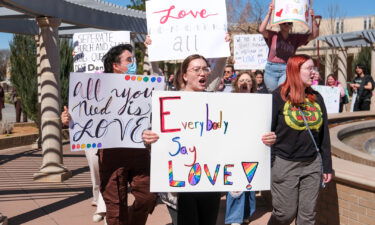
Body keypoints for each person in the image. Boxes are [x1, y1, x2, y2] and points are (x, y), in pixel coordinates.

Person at [142, 54, 276, 225]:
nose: (202, 73)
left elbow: (239, 133)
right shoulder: (169, 103)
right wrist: (148, 138)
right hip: (180, 187)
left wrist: (264, 138)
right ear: (184, 75)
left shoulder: (218, 103)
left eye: (205, 69)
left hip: (210, 184)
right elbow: (154, 140)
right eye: (196, 69)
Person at [62, 44, 157, 225]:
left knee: (148, 197)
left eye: (134, 60)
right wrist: (68, 119)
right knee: (115, 209)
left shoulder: (143, 87)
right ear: (115, 65)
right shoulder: (96, 89)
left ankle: (131, 219)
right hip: (111, 155)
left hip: (139, 152)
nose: (133, 63)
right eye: (129, 60)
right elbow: (83, 114)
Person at [268, 54, 333, 225]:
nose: (314, 73)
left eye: (314, 69)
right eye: (309, 69)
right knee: (285, 214)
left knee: (307, 217)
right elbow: (266, 131)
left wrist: (327, 166)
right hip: (285, 164)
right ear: (295, 71)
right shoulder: (277, 97)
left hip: (312, 164)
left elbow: (324, 135)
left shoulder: (317, 98)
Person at [259, 2, 319, 92]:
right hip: (271, 69)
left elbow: (314, 35)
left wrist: (313, 18)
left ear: (292, 25)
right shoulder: (273, 35)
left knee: (282, 92)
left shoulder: (295, 38)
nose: (287, 25)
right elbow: (261, 30)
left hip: (286, 68)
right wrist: (269, 13)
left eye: (289, 23)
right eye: (284, 23)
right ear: (279, 23)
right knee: (273, 93)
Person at [225, 71, 258, 225]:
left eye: (248, 80)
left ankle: (246, 213)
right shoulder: (229, 100)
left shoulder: (260, 102)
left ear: (252, 84)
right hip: (233, 146)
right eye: (242, 80)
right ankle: (234, 218)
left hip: (253, 147)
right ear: (237, 84)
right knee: (235, 180)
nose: (245, 82)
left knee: (250, 181)